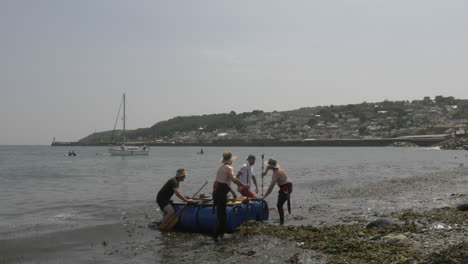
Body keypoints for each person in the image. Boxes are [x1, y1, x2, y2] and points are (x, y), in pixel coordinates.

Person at [212, 152, 247, 242]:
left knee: (221, 215)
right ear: (230, 161)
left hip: (216, 192)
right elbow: (233, 179)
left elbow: (222, 183)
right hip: (221, 193)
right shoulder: (229, 168)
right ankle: (217, 236)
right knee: (222, 216)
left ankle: (220, 235)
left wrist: (232, 191)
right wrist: (242, 185)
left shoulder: (221, 168)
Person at [261, 158, 292, 225]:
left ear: (272, 167)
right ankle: (281, 219)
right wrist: (265, 173)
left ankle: (282, 222)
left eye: (269, 165)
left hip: (286, 187)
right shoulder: (275, 168)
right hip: (285, 186)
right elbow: (268, 167)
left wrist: (264, 196)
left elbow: (271, 186)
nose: (268, 166)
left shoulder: (276, 173)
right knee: (279, 204)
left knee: (279, 205)